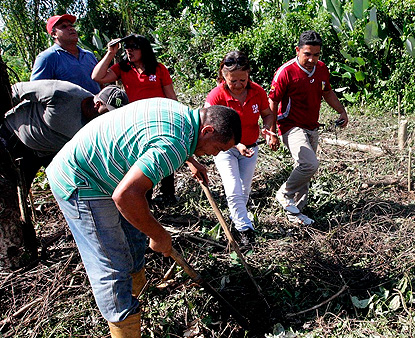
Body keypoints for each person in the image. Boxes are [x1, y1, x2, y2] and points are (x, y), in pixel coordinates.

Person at [46, 101, 241, 337]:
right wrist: (160, 235)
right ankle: (124, 320)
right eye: (218, 149)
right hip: (81, 181)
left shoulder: (181, 115)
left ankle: (139, 294)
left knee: (135, 236)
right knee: (112, 264)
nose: (215, 154)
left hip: (104, 171)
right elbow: (126, 195)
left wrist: (190, 159)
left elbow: (156, 140)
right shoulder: (174, 145)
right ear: (207, 131)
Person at [269, 30, 349, 226]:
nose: (312, 59)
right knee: (309, 164)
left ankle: (296, 213)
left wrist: (342, 111)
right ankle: (284, 193)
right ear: (298, 51)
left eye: (316, 54)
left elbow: (327, 93)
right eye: (307, 54)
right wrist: (270, 132)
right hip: (290, 125)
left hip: (312, 126)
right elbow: (272, 101)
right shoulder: (285, 72)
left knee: (304, 170)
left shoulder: (321, 69)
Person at [92, 34, 179, 203]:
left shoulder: (158, 68)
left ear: (144, 49)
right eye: (127, 47)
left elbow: (171, 96)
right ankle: (146, 197)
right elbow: (97, 77)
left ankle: (168, 193)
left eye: (134, 47)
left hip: (160, 118)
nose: (129, 50)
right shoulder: (123, 68)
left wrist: (175, 116)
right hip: (137, 121)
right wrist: (110, 53)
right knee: (144, 157)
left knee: (165, 154)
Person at [204, 51, 279, 245]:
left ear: (248, 75)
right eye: (232, 81)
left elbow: (268, 114)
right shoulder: (216, 96)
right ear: (223, 76)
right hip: (224, 149)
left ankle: (237, 218)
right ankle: (244, 229)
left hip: (251, 148)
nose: (238, 85)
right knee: (233, 188)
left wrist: (269, 129)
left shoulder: (257, 91)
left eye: (242, 80)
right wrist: (236, 144)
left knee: (244, 191)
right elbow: (209, 128)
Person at [1, 80, 128, 190]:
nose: (110, 117)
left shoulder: (101, 127)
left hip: (46, 153)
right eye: (108, 112)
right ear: (98, 104)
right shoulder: (63, 93)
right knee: (8, 188)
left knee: (70, 188)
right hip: (14, 138)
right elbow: (15, 91)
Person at [30, 14, 101, 94]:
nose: (70, 28)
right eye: (64, 27)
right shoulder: (47, 58)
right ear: (54, 34)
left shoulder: (88, 55)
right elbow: (36, 90)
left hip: (97, 104)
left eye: (71, 26)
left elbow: (100, 83)